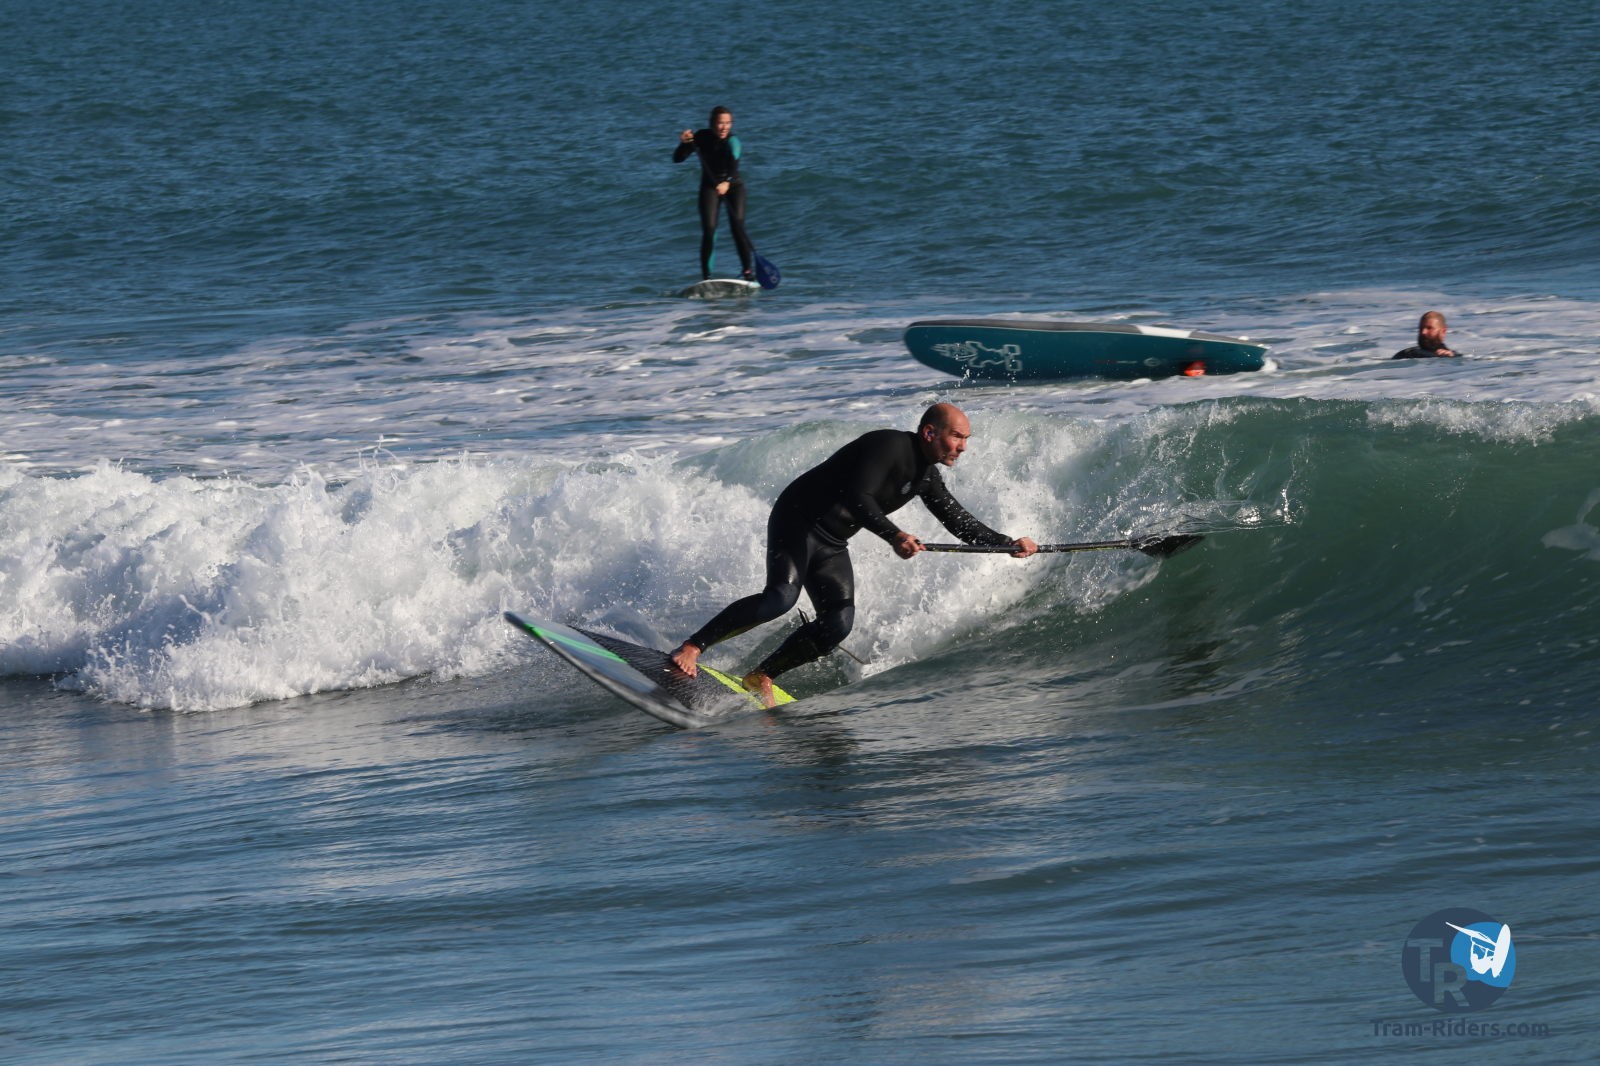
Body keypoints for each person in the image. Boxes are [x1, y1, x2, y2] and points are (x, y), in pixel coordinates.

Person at [669, 403, 1040, 706]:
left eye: (966, 439)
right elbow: (857, 496)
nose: (963, 446)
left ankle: (761, 676)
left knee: (838, 622)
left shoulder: (927, 476)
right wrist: (894, 535)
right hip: (797, 521)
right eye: (957, 436)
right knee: (780, 598)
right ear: (930, 432)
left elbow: (958, 522)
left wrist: (1008, 543)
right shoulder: (889, 446)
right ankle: (692, 646)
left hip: (831, 542)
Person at [673, 106, 755, 281]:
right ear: (712, 124)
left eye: (728, 123)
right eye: (720, 123)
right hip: (709, 187)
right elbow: (678, 159)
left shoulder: (733, 141)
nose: (724, 127)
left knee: (737, 227)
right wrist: (685, 143)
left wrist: (727, 182)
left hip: (734, 186)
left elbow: (734, 164)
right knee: (709, 230)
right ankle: (707, 278)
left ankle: (748, 272)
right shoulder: (702, 137)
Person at [1392, 311, 1461, 358]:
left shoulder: (1452, 356)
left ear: (1443, 331)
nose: (1423, 332)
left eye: (1429, 328)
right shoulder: (1408, 354)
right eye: (1421, 328)